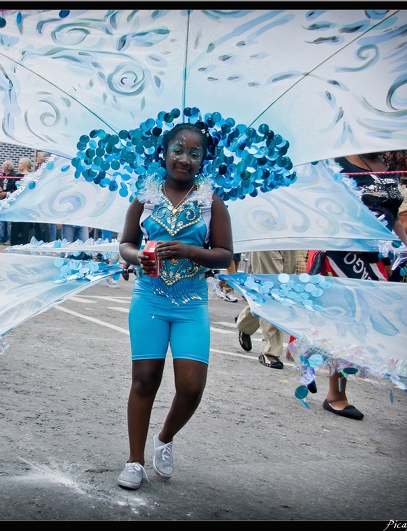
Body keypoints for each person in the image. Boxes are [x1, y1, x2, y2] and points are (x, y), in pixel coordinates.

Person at [116, 122, 233, 490]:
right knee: (145, 380)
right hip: (149, 297)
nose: (184, 159)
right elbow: (126, 244)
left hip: (191, 303)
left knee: (192, 387)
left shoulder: (211, 202)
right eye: (178, 151)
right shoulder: (144, 197)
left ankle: (164, 438)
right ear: (164, 154)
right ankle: (134, 461)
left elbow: (225, 255)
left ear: (203, 160)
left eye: (194, 154)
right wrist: (139, 258)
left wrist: (188, 251)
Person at [303, 152, 407, 420]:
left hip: (376, 260)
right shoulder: (337, 164)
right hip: (341, 255)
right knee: (347, 324)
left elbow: (393, 218)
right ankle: (336, 395)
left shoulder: (387, 169)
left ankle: (308, 359)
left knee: (359, 325)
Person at [235, 250, 298, 369]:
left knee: (284, 291)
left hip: (291, 239)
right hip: (267, 238)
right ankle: (270, 351)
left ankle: (245, 323)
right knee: (271, 290)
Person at [10, 157, 38, 245]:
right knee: (23, 226)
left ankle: (16, 244)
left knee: (18, 226)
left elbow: (12, 189)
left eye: (20, 163)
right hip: (24, 204)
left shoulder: (20, 176)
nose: (18, 165)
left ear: (24, 164)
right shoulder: (31, 176)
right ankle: (22, 243)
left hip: (20, 204)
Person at [0, 159, 19, 244]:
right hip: (1, 201)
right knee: (1, 221)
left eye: (3, 165)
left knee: (9, 222)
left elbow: (16, 190)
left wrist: (6, 193)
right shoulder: (3, 175)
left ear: (7, 167)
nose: (2, 166)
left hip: (10, 201)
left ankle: (9, 239)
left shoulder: (14, 176)